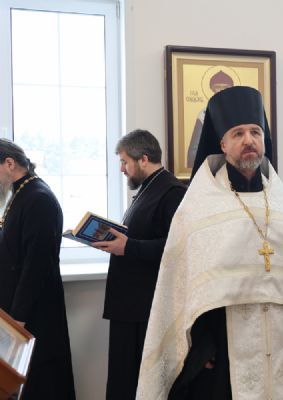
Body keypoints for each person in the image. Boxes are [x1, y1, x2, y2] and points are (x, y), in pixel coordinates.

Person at [136, 86, 283, 400]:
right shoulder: (200, 205)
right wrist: (202, 348)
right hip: (224, 352)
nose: (249, 140)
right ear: (223, 144)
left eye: (255, 132)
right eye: (238, 133)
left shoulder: (282, 203)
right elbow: (184, 285)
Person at [92, 130, 186, 400]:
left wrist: (129, 247)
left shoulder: (172, 192)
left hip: (146, 307)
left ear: (143, 159)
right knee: (124, 379)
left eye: (125, 162)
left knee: (140, 382)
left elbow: (178, 248)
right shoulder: (148, 188)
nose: (122, 169)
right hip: (130, 305)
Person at [0, 138, 76, 399]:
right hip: (17, 308)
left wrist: (18, 318)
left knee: (42, 383)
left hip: (34, 313)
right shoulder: (21, 193)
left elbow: (36, 265)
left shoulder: (39, 198)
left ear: (9, 163)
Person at [186, 70, 234, 168]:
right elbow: (193, 152)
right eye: (218, 87)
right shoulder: (204, 114)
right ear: (212, 89)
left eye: (225, 87)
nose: (221, 91)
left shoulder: (238, 113)